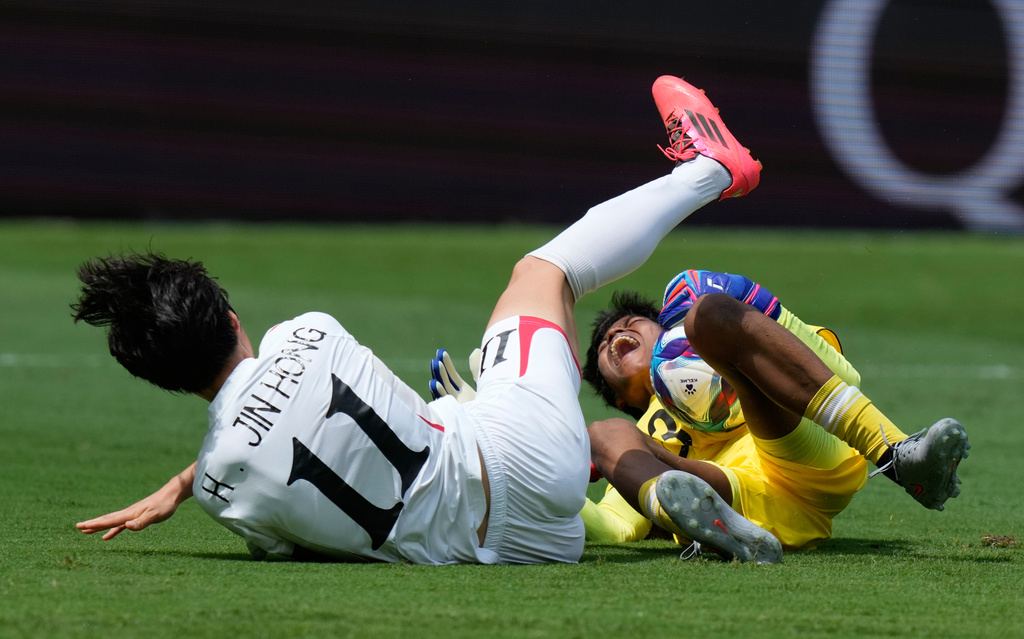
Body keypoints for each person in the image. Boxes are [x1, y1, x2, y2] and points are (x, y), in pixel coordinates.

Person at [73, 74, 763, 564]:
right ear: (229, 316)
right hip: (521, 450)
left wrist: (196, 476)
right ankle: (707, 169)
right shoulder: (303, 332)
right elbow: (296, 398)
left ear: (161, 377)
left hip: (510, 549)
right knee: (545, 275)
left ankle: (641, 486)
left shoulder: (224, 489)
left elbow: (282, 517)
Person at [578, 266, 971, 563]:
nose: (613, 336)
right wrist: (545, 479)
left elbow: (841, 374)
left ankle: (893, 451)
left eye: (629, 325)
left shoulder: (738, 341)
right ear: (620, 397)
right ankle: (710, 527)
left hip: (805, 458)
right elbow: (616, 526)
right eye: (603, 347)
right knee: (600, 434)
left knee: (708, 311)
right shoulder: (639, 428)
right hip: (737, 499)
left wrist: (730, 322)